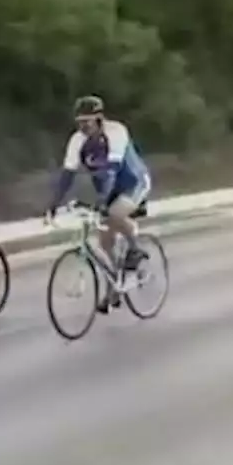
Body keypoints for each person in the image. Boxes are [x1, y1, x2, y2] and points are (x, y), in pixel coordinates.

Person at [48, 96, 152, 314]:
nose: (83, 127)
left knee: (114, 213)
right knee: (105, 243)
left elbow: (111, 171)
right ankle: (114, 286)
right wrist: (53, 204)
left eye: (87, 122)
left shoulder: (116, 132)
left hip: (134, 183)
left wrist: (103, 201)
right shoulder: (78, 140)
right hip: (108, 188)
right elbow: (67, 176)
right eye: (79, 123)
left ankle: (135, 249)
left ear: (99, 119)